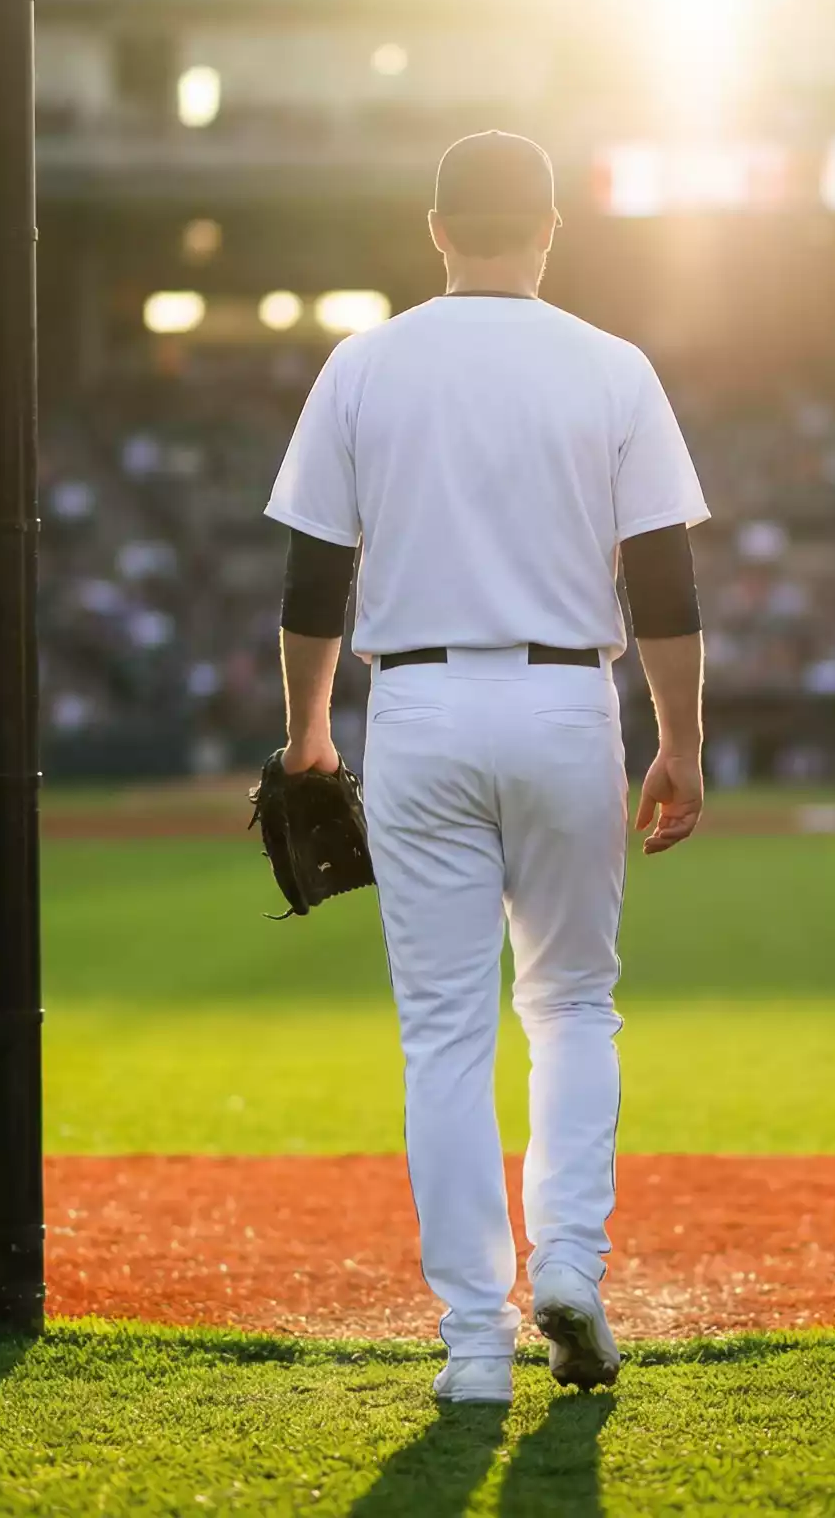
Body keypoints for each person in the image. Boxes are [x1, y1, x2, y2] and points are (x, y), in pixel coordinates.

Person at [266, 130, 709, 1404]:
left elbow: (311, 580)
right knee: (570, 1006)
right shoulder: (612, 366)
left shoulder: (363, 364)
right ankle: (568, 1262)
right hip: (570, 698)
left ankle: (473, 1345)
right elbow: (667, 584)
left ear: (435, 229)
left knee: (445, 1035)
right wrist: (676, 740)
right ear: (553, 229)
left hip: (416, 707)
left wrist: (308, 730)